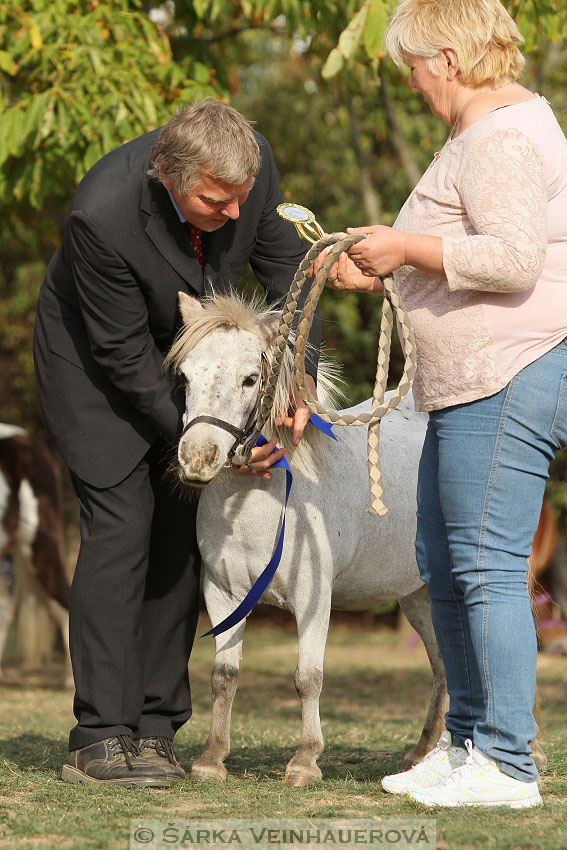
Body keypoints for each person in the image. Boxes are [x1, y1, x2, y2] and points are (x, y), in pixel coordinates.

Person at [325, 0, 567, 808]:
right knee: (440, 562)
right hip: (461, 381)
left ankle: (505, 762)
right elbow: (467, 248)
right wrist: (389, 266)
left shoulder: (499, 138)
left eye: (413, 65)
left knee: (486, 568)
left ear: (449, 61)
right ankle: (464, 741)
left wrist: (403, 248)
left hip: (503, 372)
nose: (413, 80)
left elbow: (510, 257)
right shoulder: (484, 133)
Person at [33, 100, 318, 787]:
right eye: (214, 201)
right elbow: (126, 355)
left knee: (179, 532)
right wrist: (206, 443)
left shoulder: (250, 163)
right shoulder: (100, 214)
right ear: (166, 175)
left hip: (200, 367)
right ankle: (98, 735)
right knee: (125, 525)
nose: (232, 213)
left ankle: (157, 727)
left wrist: (296, 388)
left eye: (241, 199)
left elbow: (292, 280)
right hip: (101, 370)